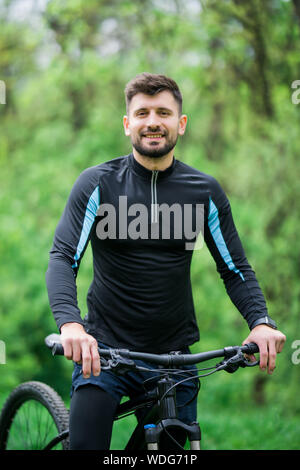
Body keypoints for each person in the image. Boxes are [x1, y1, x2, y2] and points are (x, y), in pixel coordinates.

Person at [45, 72, 286, 450]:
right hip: (105, 354)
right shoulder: (97, 184)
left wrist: (261, 321)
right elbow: (63, 257)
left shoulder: (203, 191)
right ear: (128, 124)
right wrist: (71, 325)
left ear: (181, 123)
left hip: (174, 361)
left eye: (163, 112)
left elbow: (234, 268)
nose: (153, 121)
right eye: (142, 113)